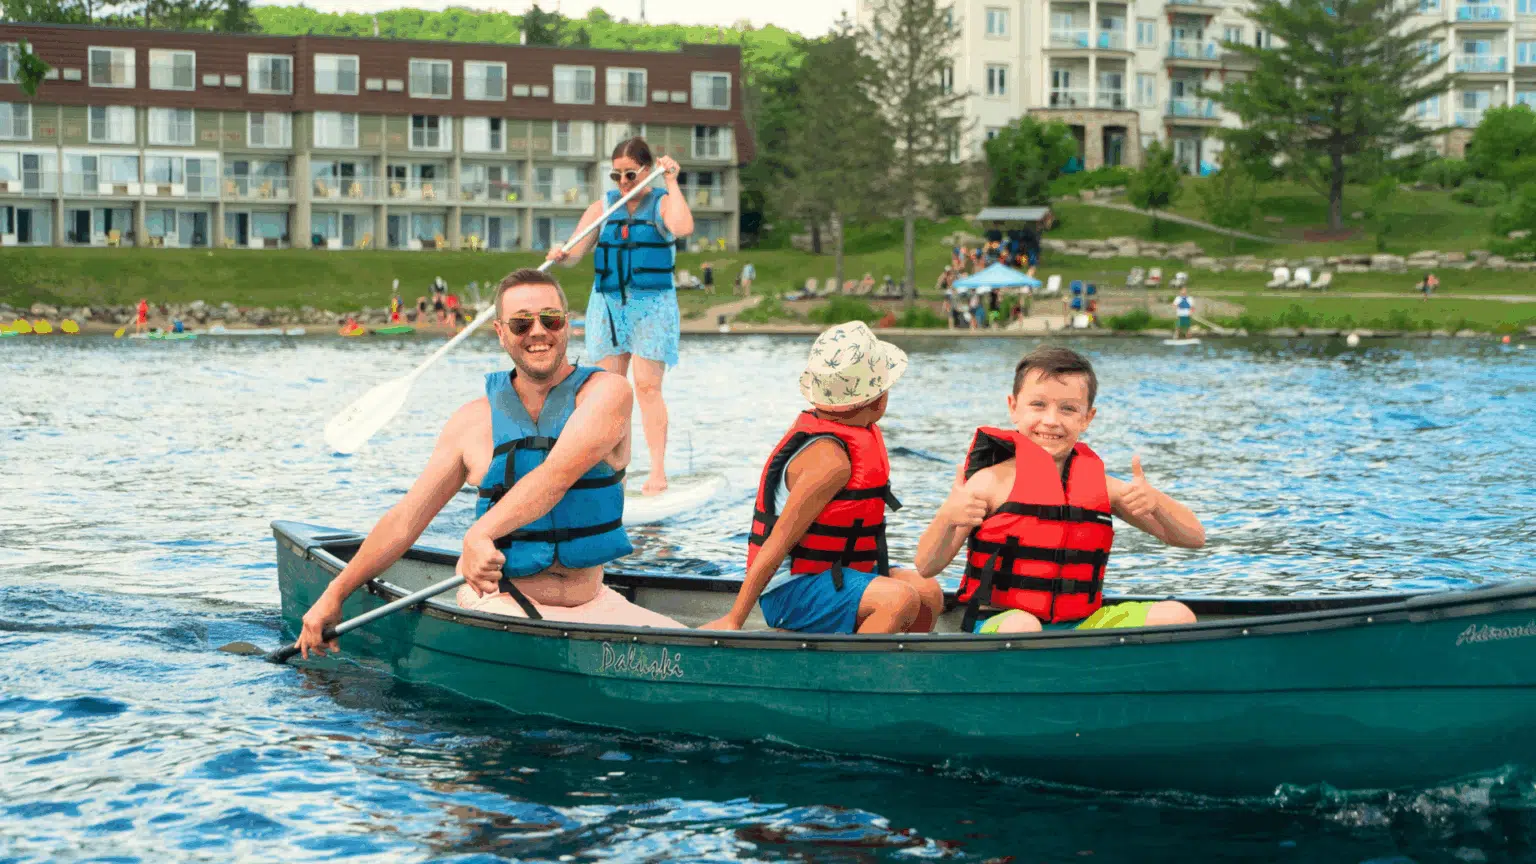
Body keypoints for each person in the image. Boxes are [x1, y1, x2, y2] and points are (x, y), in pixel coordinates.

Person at [293, 268, 682, 658]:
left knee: (699, 642)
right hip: (501, 603)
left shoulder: (608, 393)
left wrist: (477, 535)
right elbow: (406, 519)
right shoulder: (471, 422)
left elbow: (556, 475)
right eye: (521, 323)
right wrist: (334, 593)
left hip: (593, 601)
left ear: (567, 324)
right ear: (500, 332)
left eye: (550, 319)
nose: (538, 332)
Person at [915, 346, 1206, 635]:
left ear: (1087, 418)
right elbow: (927, 566)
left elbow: (1193, 538)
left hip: (1081, 623)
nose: (1051, 421)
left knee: (1176, 614)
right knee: (1023, 626)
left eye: (1068, 409)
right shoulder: (989, 482)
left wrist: (1156, 503)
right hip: (998, 620)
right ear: (1013, 407)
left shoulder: (1105, 487)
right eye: (1038, 405)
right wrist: (947, 518)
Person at [702, 322, 942, 634]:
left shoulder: (850, 437)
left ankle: (901, 660)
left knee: (927, 591)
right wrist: (735, 619)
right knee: (897, 600)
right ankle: (850, 664)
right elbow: (776, 544)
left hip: (839, 573)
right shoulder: (830, 462)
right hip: (790, 592)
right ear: (877, 399)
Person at [546, 136, 694, 497]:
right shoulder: (603, 207)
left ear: (647, 170)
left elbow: (682, 228)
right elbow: (576, 252)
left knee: (646, 387)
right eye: (617, 175)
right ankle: (616, 472)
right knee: (611, 393)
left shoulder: (662, 203)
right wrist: (562, 253)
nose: (624, 182)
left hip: (652, 305)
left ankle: (657, 472)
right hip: (609, 306)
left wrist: (671, 181)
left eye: (631, 174)